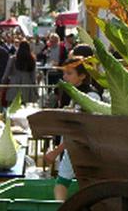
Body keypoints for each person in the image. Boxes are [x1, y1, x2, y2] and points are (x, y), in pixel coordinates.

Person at [44, 57, 99, 201]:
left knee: (62, 183)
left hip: (82, 147)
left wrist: (56, 151)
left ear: (82, 76)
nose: (64, 77)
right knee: (64, 183)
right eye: (64, 73)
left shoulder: (90, 96)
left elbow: (79, 130)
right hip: (72, 147)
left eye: (69, 73)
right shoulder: (73, 93)